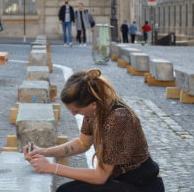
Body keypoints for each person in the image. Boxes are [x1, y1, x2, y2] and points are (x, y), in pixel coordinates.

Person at [24, 68, 165, 192]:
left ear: (93, 104)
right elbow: (82, 143)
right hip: (121, 180)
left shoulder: (118, 118)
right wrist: (43, 151)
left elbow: (100, 177)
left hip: (141, 185)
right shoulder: (95, 110)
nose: (74, 114)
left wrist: (51, 167)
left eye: (76, 110)